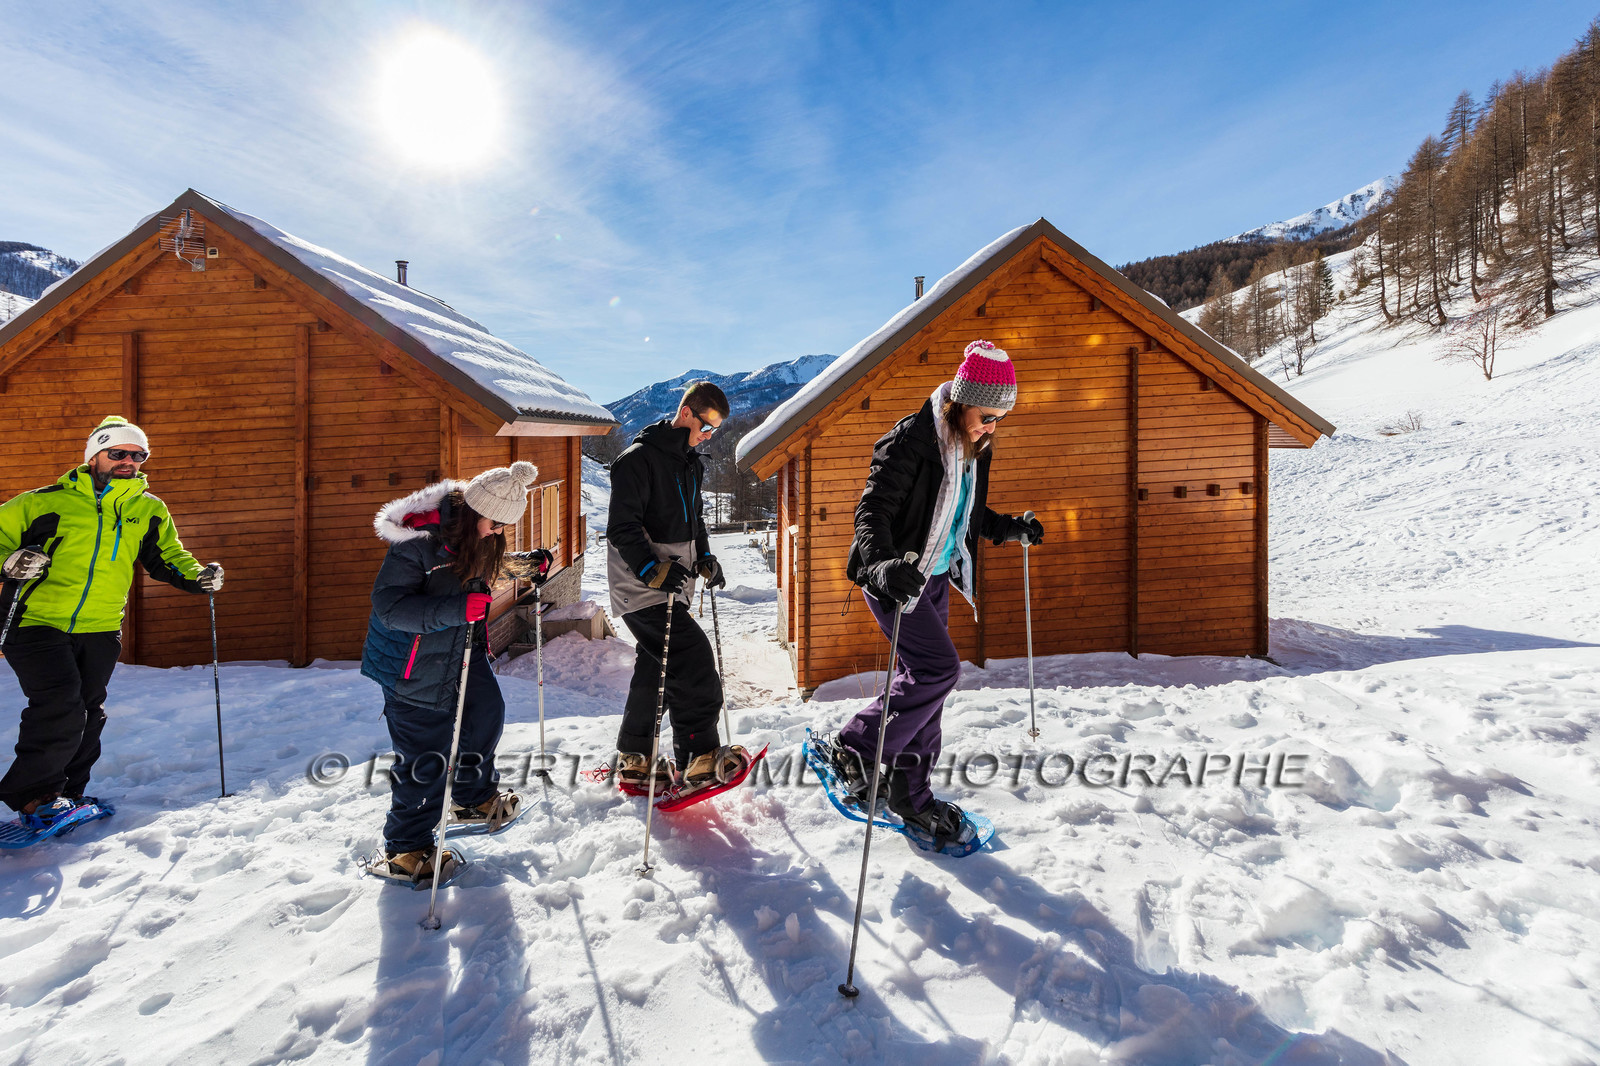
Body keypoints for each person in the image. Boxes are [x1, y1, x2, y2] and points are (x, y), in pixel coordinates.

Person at [819, 340, 1045, 849]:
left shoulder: (975, 447)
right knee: (939, 671)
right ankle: (854, 746)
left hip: (935, 578)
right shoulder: (911, 440)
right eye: (987, 416)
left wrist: (1010, 529)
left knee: (927, 690)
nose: (992, 427)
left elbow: (967, 514)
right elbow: (872, 512)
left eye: (1000, 420)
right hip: (896, 578)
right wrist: (882, 565)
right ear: (961, 402)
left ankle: (911, 795)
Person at [0, 416, 222, 830]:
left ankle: (68, 794)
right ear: (93, 456)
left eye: (138, 455)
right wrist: (10, 562)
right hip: (35, 621)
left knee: (88, 710)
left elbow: (168, 556)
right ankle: (34, 797)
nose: (128, 461)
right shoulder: (41, 502)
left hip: (101, 626)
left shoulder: (148, 509)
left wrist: (198, 576)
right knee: (60, 704)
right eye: (118, 452)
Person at [360, 461, 553, 885]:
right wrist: (455, 610)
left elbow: (477, 568)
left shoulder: (476, 537)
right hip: (412, 666)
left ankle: (472, 799)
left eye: (504, 526)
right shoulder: (417, 543)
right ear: (472, 513)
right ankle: (406, 849)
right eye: (495, 524)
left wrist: (524, 566)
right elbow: (389, 607)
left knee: (485, 714)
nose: (498, 532)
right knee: (426, 756)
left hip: (460, 652)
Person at [606, 380, 751, 797]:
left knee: (658, 668)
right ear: (686, 413)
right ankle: (699, 759)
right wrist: (650, 569)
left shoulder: (690, 462)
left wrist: (703, 556)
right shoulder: (637, 460)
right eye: (706, 426)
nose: (709, 436)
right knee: (693, 660)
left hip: (672, 582)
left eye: (715, 430)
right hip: (641, 584)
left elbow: (695, 520)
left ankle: (636, 760)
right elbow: (622, 527)